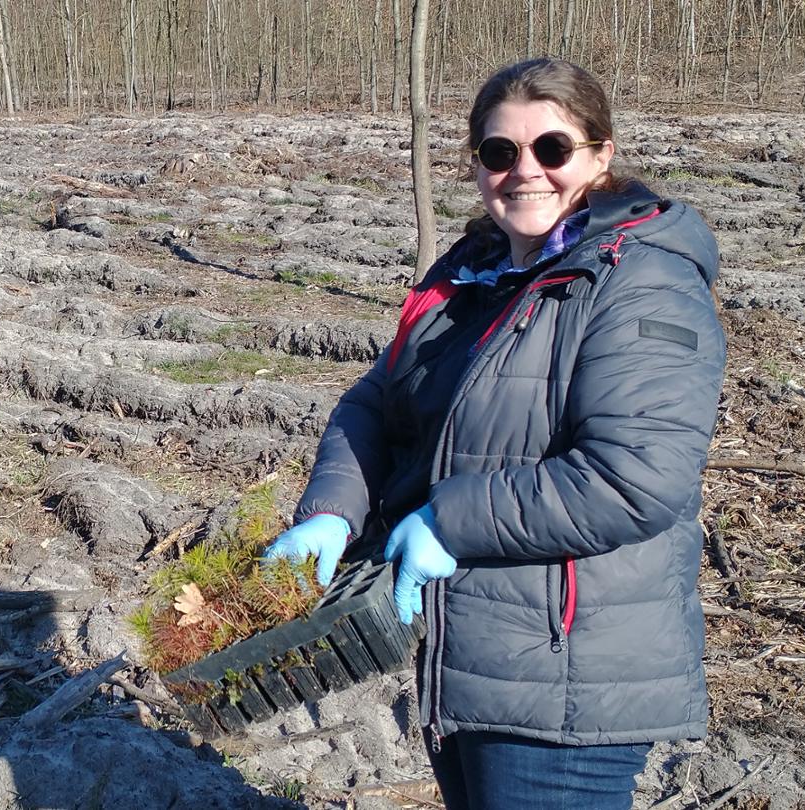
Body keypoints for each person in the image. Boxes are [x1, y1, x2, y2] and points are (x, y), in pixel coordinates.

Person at [266, 58, 726, 809]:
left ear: (601, 155)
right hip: (469, 660)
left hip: (566, 683)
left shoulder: (642, 281)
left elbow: (634, 478)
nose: (525, 172)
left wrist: (450, 519)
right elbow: (378, 400)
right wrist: (331, 510)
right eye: (499, 152)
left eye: (552, 149)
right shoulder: (473, 273)